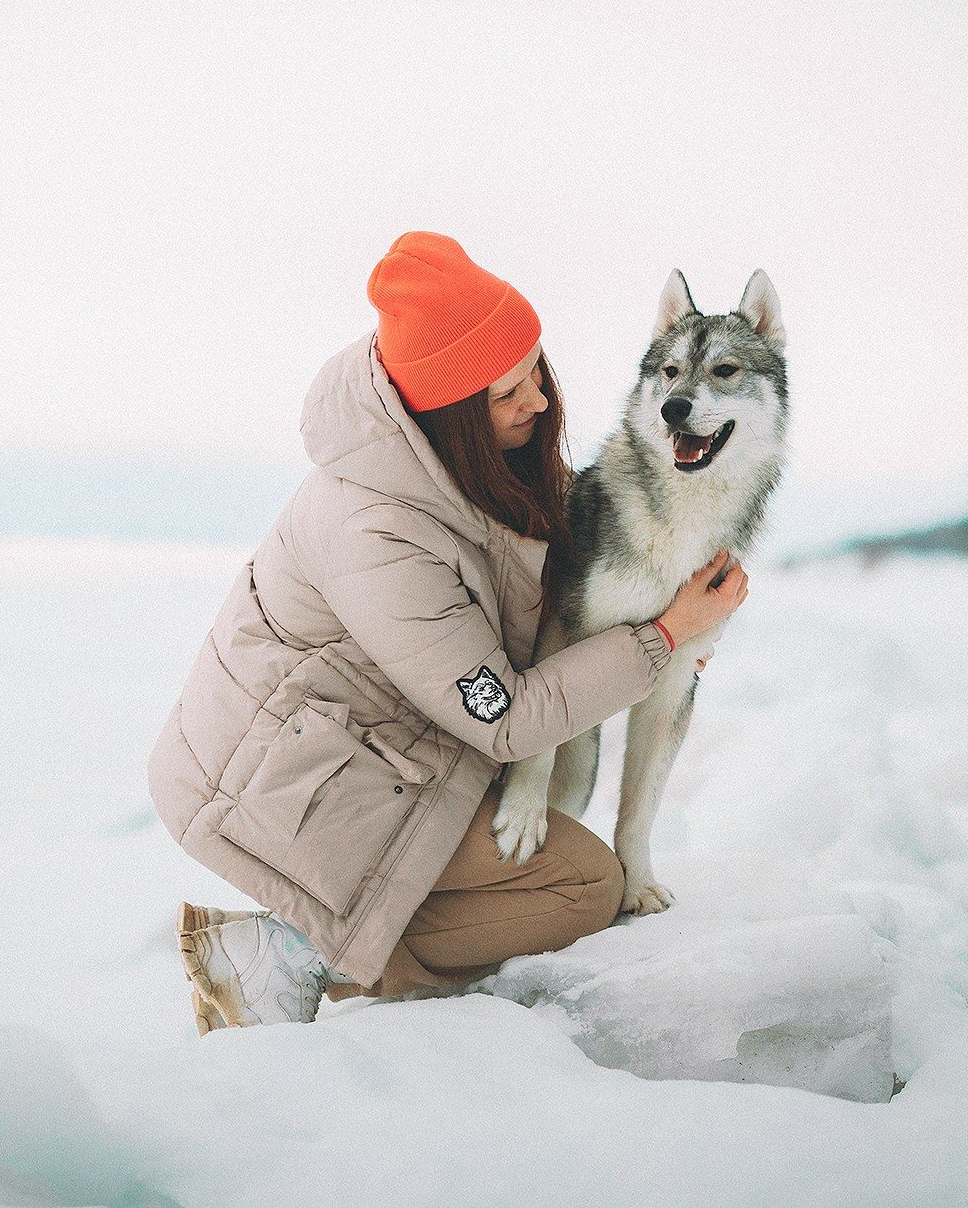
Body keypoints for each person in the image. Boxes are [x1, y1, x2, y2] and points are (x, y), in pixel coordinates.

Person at [148, 231, 750, 1032]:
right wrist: (666, 635)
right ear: (451, 413)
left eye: (538, 369)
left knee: (559, 854)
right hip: (284, 789)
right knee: (583, 887)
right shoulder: (377, 534)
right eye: (507, 394)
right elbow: (506, 716)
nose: (538, 401)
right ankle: (290, 954)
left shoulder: (473, 466)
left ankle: (327, 953)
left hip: (379, 748)